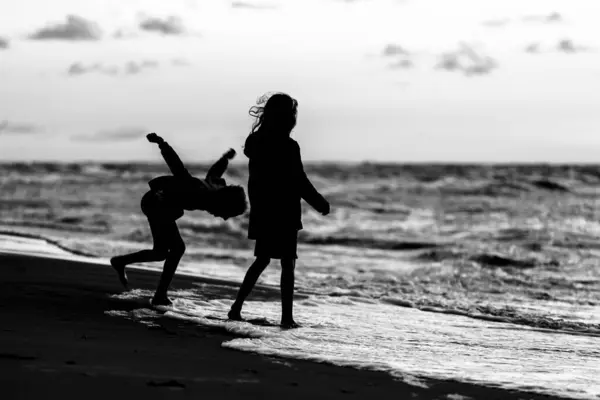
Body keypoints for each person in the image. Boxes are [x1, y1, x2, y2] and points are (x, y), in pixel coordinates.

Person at [228, 92, 330, 328]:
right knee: (287, 263)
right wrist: (318, 202)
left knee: (261, 260)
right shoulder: (289, 146)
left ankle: (237, 307)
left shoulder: (255, 142)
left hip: (263, 209)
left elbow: (257, 180)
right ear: (287, 118)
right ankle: (286, 318)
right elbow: (299, 180)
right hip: (284, 210)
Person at [110, 133, 247, 306]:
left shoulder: (214, 188)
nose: (225, 218)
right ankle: (158, 294)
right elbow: (177, 167)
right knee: (174, 249)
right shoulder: (197, 191)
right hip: (155, 203)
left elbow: (215, 171)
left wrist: (225, 159)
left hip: (163, 207)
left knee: (163, 252)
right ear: (223, 203)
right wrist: (162, 144)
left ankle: (121, 262)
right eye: (228, 213)